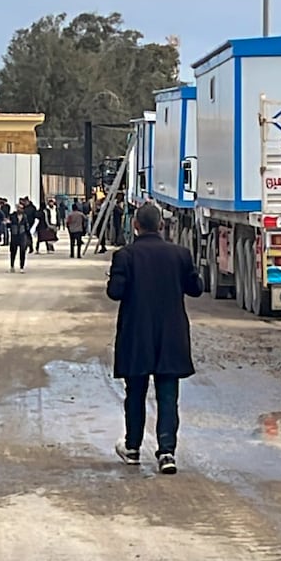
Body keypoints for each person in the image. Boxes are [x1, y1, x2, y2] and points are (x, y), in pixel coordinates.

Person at [106, 202, 204, 474]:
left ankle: (133, 447)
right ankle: (167, 453)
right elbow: (195, 289)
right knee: (168, 395)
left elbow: (115, 293)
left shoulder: (125, 256)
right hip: (171, 335)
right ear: (161, 225)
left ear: (136, 225)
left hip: (136, 335)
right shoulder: (180, 255)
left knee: (135, 393)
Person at [7, 203, 31, 272]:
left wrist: (28, 236)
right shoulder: (12, 216)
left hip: (22, 235)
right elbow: (8, 225)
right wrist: (8, 223)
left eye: (21, 208)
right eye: (18, 208)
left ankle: (22, 267)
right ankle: (12, 266)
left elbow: (27, 227)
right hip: (14, 236)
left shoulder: (24, 216)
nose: (20, 209)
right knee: (13, 252)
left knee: (22, 252)